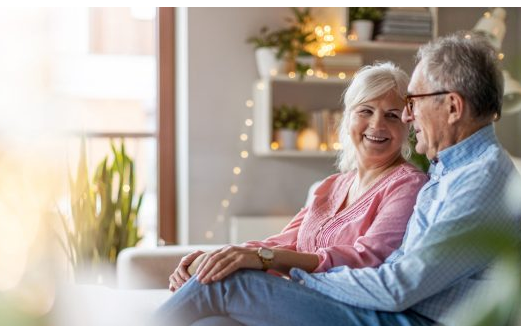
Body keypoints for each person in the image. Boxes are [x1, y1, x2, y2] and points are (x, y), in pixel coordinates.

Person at [157, 33, 521, 326]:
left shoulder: (481, 180)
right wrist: (246, 260)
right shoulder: (449, 171)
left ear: (452, 107)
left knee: (232, 283)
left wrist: (291, 274)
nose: (407, 117)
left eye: (412, 102)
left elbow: (396, 287)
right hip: (395, 323)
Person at [168, 62, 427, 292]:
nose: (377, 124)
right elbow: (280, 245)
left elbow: (366, 259)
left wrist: (261, 257)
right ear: (348, 118)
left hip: (339, 306)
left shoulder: (407, 184)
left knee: (216, 286)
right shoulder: (331, 186)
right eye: (366, 111)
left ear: (408, 126)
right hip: (299, 294)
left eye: (392, 115)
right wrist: (220, 255)